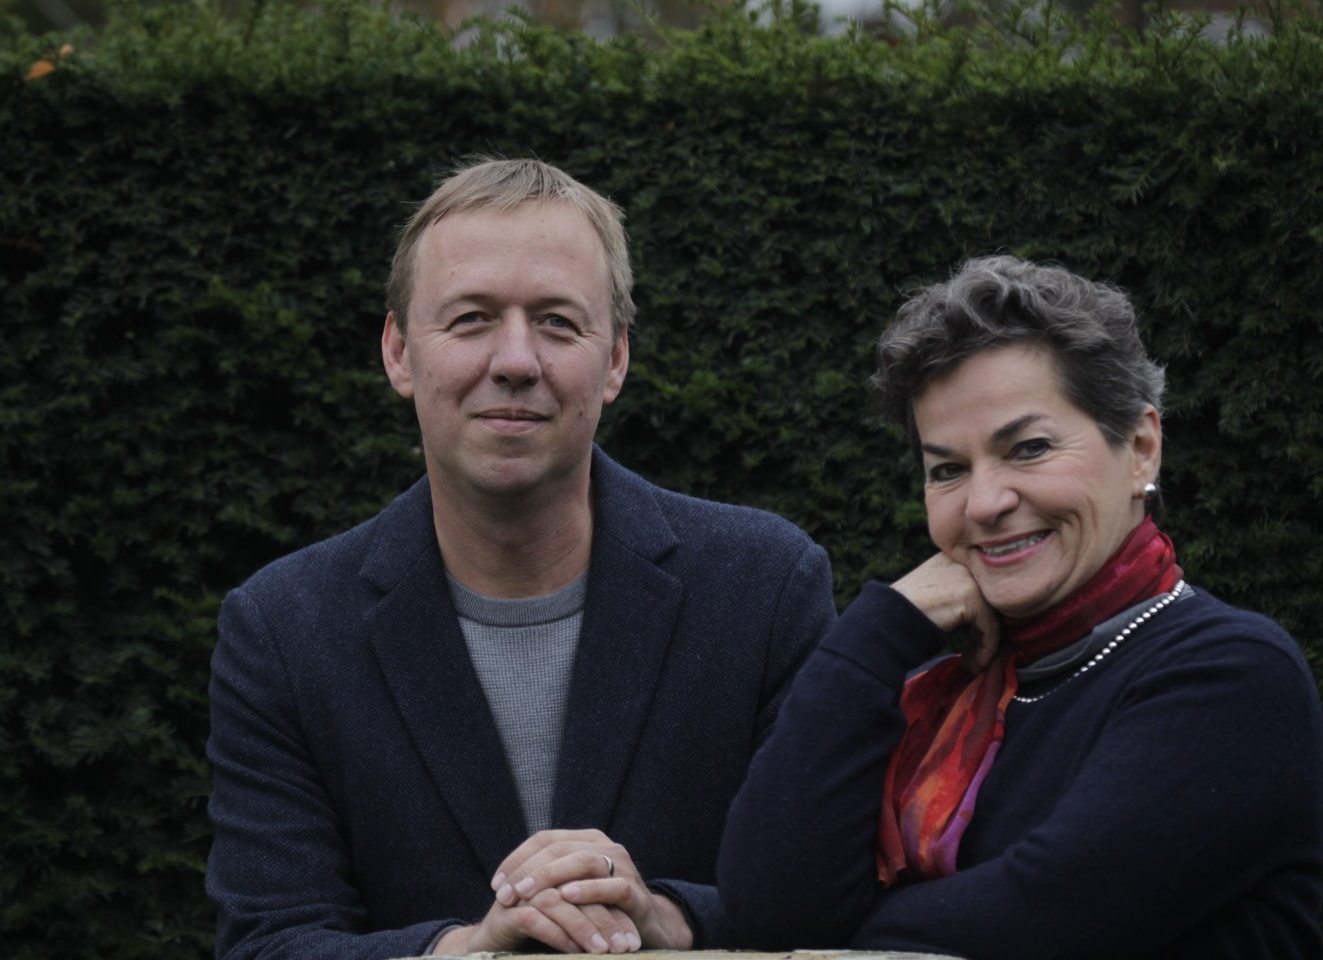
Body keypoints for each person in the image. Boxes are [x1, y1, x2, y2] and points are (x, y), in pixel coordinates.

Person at [204, 157, 836, 960]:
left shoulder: (765, 589)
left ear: (615, 360)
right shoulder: (284, 631)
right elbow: (269, 941)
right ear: (399, 352)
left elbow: (830, 892)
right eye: (471, 318)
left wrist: (665, 920)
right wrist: (472, 950)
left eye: (557, 322)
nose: (514, 360)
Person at [717, 255, 1323, 959]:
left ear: (1141, 449)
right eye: (948, 469)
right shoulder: (945, 697)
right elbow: (770, 911)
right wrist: (878, 633)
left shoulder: (1231, 677)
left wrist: (843, 925)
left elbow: (1035, 928)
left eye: (1029, 448)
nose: (985, 503)